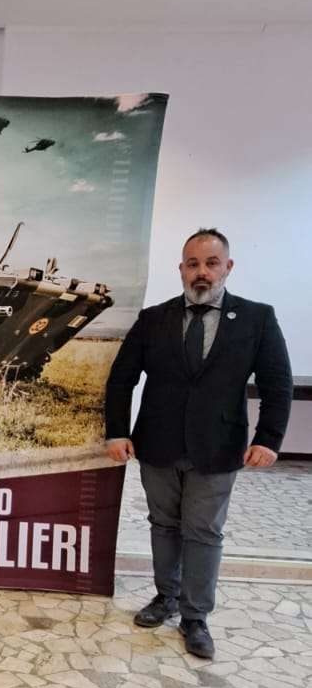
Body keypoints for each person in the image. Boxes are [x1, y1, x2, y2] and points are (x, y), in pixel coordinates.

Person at [104, 228, 292, 659]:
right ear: (182, 269)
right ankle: (166, 597)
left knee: (204, 531)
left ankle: (195, 616)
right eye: (193, 264)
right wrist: (117, 431)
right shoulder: (154, 319)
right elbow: (121, 378)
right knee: (163, 524)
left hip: (219, 445)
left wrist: (268, 439)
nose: (201, 272)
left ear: (228, 267)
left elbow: (277, 383)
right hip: (158, 443)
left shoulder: (257, 318)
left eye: (211, 263)